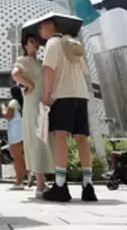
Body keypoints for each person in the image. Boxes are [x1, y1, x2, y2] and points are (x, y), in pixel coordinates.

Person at [38, 17, 98, 203]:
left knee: (60, 137)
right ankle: (88, 185)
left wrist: (46, 95)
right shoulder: (72, 43)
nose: (40, 31)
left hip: (62, 95)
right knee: (82, 139)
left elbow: (48, 70)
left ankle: (60, 185)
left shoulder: (52, 43)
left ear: (48, 26)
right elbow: (83, 71)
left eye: (41, 28)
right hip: (80, 95)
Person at [12, 34, 54, 198]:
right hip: (32, 104)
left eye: (36, 41)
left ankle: (42, 179)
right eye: (31, 42)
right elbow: (15, 74)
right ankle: (40, 184)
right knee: (36, 140)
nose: (35, 44)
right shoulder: (23, 60)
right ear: (25, 46)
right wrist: (29, 84)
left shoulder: (41, 62)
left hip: (43, 104)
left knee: (44, 139)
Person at [1, 86, 26, 190]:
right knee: (22, 157)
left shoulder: (13, 102)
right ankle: (30, 174)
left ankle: (19, 182)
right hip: (23, 132)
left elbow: (8, 116)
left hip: (15, 133)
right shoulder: (22, 103)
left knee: (17, 158)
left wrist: (3, 109)